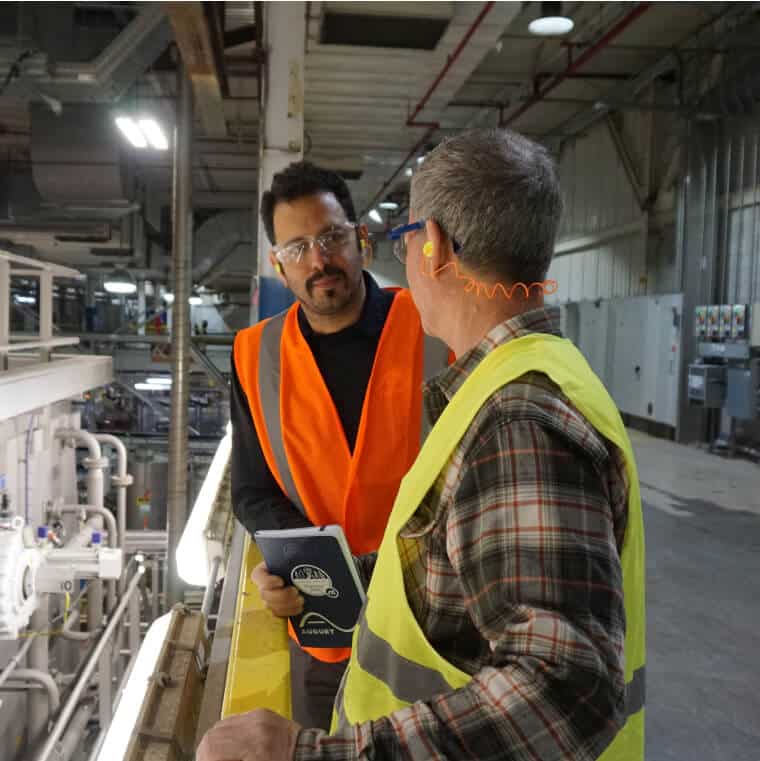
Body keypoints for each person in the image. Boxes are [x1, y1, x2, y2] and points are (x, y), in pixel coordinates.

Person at [199, 130, 645, 760]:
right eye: (298, 247)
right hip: (373, 653)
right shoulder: (515, 379)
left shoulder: (515, 416)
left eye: (406, 238)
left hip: (449, 706)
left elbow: (563, 688)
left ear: (429, 247)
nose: (319, 258)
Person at [228, 161, 448, 732]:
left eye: (331, 238)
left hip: (434, 629)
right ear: (278, 263)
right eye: (297, 247)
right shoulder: (254, 355)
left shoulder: (432, 327)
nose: (318, 260)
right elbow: (253, 492)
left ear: (362, 240)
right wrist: (287, 565)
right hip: (328, 630)